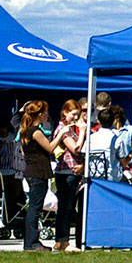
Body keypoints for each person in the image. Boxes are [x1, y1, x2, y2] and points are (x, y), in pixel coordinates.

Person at [18, 100, 66, 252]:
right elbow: (51, 148)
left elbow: (24, 152)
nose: (47, 115)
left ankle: (31, 242)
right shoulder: (36, 132)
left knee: (34, 207)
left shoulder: (26, 131)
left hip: (32, 171)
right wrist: (61, 134)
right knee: (35, 208)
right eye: (45, 112)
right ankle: (32, 243)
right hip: (38, 172)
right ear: (40, 114)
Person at [52, 100, 87, 252]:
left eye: (78, 115)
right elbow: (76, 149)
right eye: (73, 114)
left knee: (69, 208)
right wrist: (83, 131)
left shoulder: (72, 129)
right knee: (65, 208)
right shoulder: (63, 129)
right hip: (65, 172)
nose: (75, 118)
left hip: (75, 171)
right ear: (65, 113)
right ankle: (61, 239)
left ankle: (64, 239)